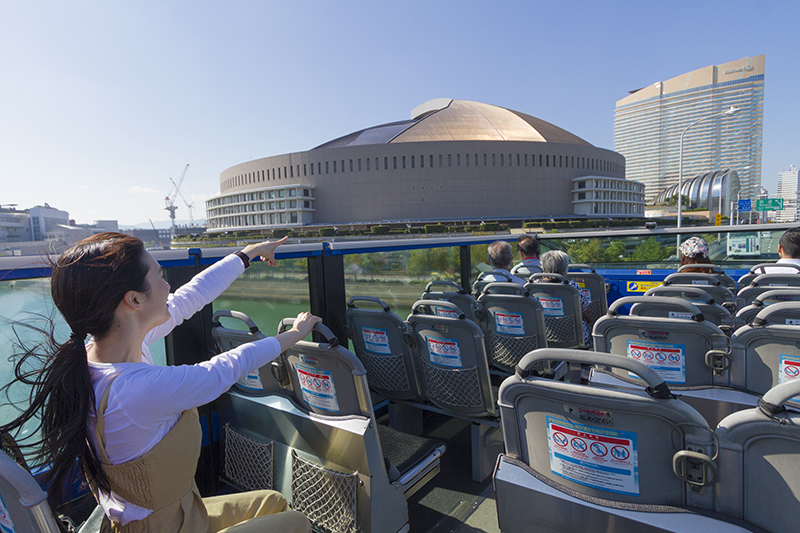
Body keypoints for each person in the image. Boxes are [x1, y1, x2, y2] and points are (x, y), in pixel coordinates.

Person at [0, 233, 315, 532]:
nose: (168, 287)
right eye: (161, 277)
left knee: (272, 502)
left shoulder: (99, 357)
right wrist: (294, 334)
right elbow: (226, 368)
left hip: (169, 515)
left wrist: (249, 253)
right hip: (166, 527)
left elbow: (190, 296)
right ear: (134, 300)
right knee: (296, 523)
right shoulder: (137, 389)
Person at [532, 250, 591, 346]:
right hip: (573, 337)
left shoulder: (532, 286)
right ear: (565, 270)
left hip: (544, 338)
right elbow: (586, 314)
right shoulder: (572, 288)